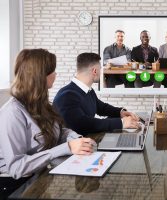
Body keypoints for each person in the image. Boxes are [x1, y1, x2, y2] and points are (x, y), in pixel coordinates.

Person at [0, 49, 96, 198]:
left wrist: (74, 137)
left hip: (40, 175)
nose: (56, 74)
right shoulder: (12, 112)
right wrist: (66, 148)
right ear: (40, 76)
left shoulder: (41, 103)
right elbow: (17, 168)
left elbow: (59, 130)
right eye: (53, 71)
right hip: (15, 186)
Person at [53, 52, 140, 136]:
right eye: (100, 69)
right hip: (74, 147)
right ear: (94, 71)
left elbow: (101, 107)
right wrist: (121, 123)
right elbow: (83, 124)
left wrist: (120, 112)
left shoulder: (87, 90)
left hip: (87, 140)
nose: (101, 71)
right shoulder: (67, 96)